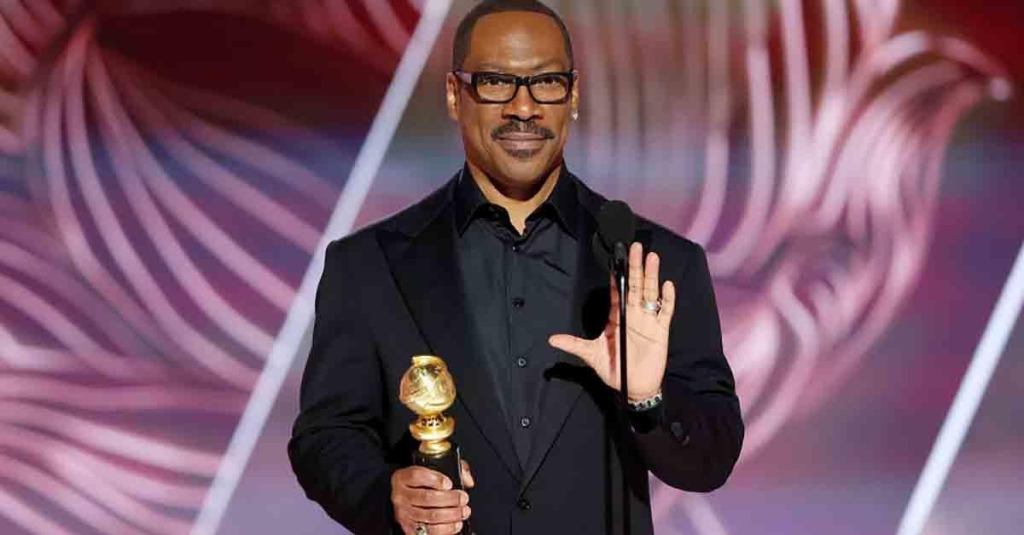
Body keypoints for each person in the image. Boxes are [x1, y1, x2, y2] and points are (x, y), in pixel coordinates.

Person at [288, 1, 744, 533]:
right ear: (456, 96)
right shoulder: (369, 265)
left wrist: (647, 399)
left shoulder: (656, 264)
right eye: (496, 82)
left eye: (545, 82)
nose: (523, 108)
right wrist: (385, 494)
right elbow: (325, 436)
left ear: (572, 96)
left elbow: (712, 459)